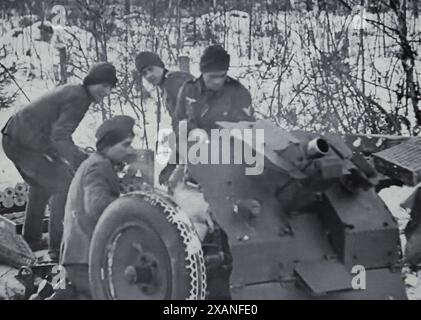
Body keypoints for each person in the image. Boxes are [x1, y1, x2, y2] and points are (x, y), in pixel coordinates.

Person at [1, 62, 117, 259]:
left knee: (43, 184)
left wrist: (70, 154)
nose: (107, 92)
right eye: (104, 86)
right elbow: (60, 137)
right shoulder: (80, 98)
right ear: (93, 82)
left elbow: (55, 135)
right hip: (22, 142)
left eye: (110, 88)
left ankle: (32, 238)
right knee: (64, 184)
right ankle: (59, 247)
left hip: (15, 137)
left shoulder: (75, 91)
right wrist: (80, 160)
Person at [172, 45, 255, 300]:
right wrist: (193, 134)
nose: (217, 81)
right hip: (195, 162)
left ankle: (225, 284)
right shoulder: (189, 90)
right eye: (212, 77)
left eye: (222, 76)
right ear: (202, 73)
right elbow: (179, 122)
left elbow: (249, 128)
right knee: (190, 217)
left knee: (226, 221)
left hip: (229, 163)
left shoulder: (238, 92)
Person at [53, 115, 136, 299]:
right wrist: (133, 208)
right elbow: (97, 207)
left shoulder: (96, 162)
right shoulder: (99, 166)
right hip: (85, 256)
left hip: (80, 255)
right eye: (125, 145)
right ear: (108, 146)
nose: (129, 150)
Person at [135, 52, 194, 185]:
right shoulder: (169, 84)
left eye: (151, 69)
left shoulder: (175, 82)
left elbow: (188, 124)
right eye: (144, 73)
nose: (149, 75)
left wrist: (172, 163)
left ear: (160, 66)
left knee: (177, 186)